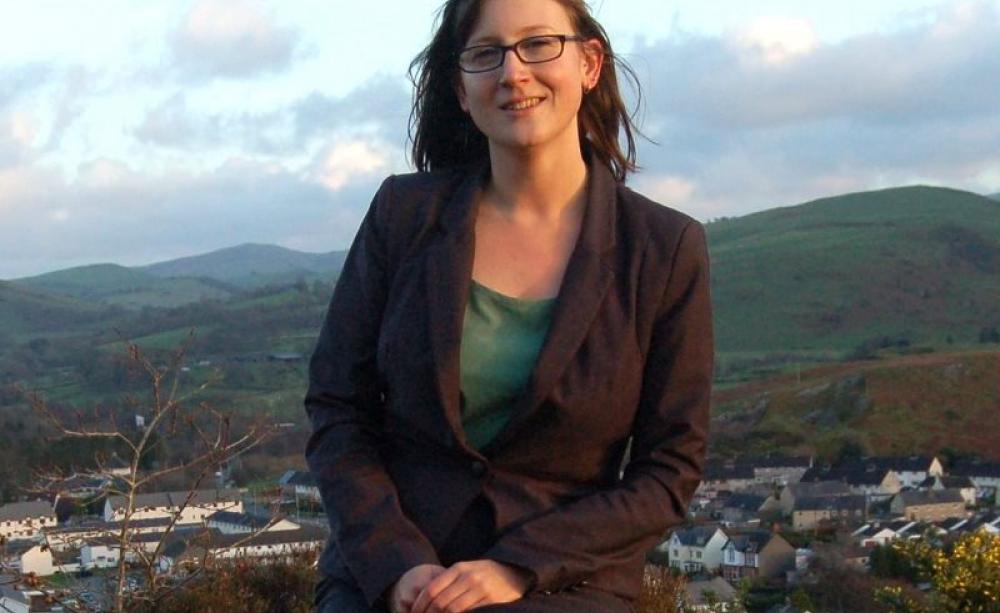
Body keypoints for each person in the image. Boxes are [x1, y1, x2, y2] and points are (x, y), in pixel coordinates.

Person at [305, 0, 714, 611]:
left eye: (538, 44)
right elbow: (339, 409)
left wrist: (518, 568)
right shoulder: (402, 216)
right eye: (485, 53)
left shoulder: (665, 249)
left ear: (590, 63)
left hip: (566, 580)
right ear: (462, 89)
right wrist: (397, 564)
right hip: (394, 574)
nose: (513, 71)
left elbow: (669, 470)